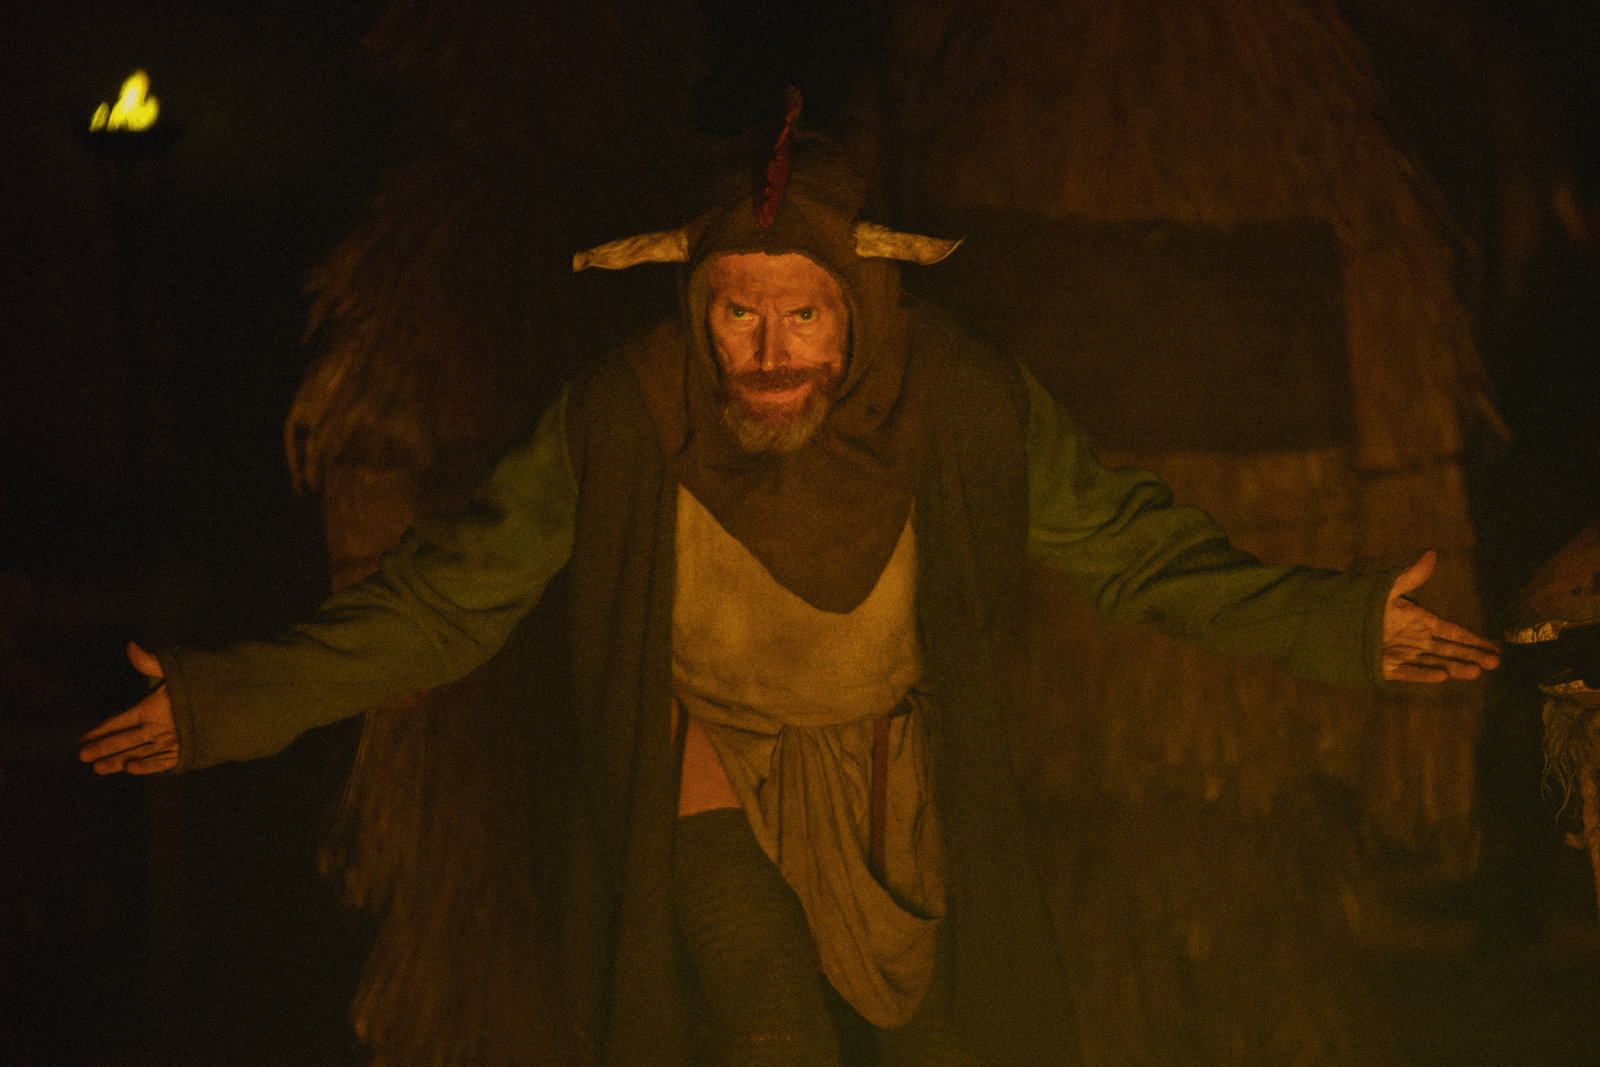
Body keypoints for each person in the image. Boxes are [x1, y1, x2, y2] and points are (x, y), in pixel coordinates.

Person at [79, 128, 1499, 1066]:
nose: (767, 355)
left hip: (892, 778)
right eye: (735, 313)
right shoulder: (628, 419)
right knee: (764, 1021)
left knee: (945, 1039)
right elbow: (451, 600)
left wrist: (1338, 622)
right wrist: (225, 702)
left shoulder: (958, 405)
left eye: (802, 313)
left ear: (858, 307)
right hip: (705, 762)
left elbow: (1135, 550)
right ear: (694, 308)